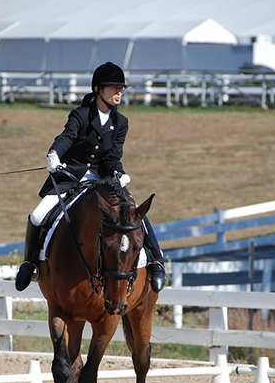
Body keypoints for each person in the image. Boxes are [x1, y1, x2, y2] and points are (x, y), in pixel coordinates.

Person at [15, 62, 165, 293]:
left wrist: (120, 173)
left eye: (122, 89)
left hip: (104, 180)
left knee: (135, 213)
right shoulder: (81, 114)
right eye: (114, 87)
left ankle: (156, 261)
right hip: (71, 175)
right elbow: (67, 136)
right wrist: (54, 154)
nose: (119, 92)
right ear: (98, 89)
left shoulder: (121, 122)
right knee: (37, 216)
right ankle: (29, 263)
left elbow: (113, 156)